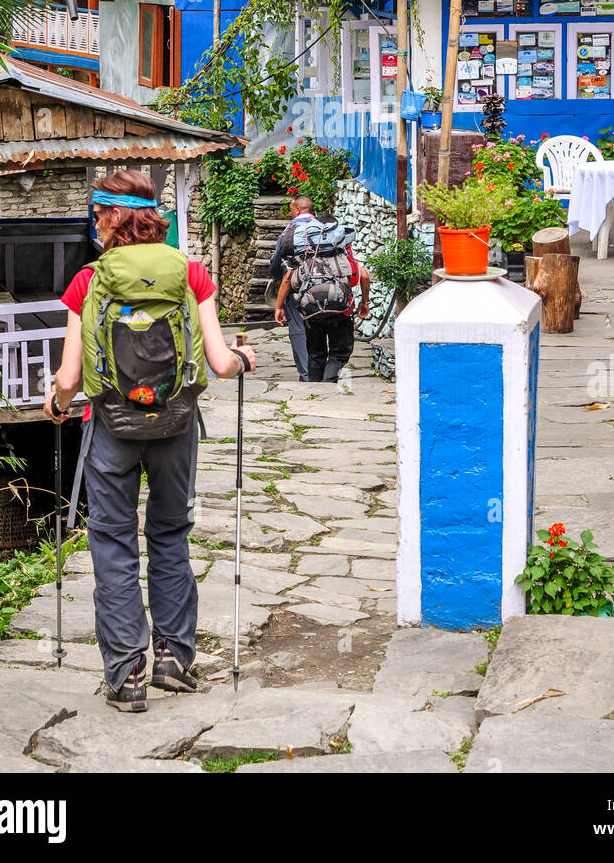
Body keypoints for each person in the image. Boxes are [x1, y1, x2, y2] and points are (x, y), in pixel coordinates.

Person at [45, 169, 255, 712]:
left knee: (112, 542)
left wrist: (57, 404)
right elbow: (219, 363)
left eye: (97, 215)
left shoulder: (88, 281)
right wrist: (242, 358)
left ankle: (127, 673)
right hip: (176, 425)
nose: (95, 224)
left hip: (110, 425)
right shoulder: (191, 273)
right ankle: (172, 657)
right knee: (169, 533)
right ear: (152, 216)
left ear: (111, 218)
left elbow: (69, 378)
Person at [274, 212, 370, 383]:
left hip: (311, 309)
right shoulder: (343, 249)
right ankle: (327, 385)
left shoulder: (305, 249)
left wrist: (279, 306)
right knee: (339, 353)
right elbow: (362, 276)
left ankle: (313, 388)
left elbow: (289, 278)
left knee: (316, 353)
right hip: (341, 310)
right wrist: (364, 302)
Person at [269, 194, 316, 381]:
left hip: (297, 288)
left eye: (291, 209)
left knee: (298, 328)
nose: (290, 212)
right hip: (326, 288)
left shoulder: (290, 231)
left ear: (297, 209)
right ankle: (323, 371)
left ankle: (307, 374)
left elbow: (277, 265)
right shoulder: (323, 229)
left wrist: (279, 303)